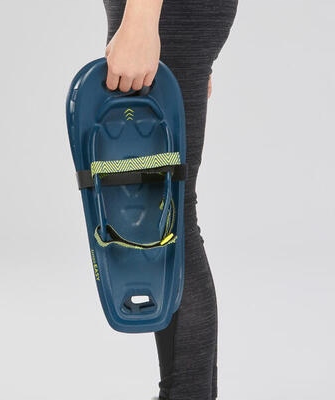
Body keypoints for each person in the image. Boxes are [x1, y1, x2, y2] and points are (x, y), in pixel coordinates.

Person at [102, 1, 238, 399]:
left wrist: (142, 22)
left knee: (171, 214)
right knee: (170, 211)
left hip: (166, 14)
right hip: (171, 17)